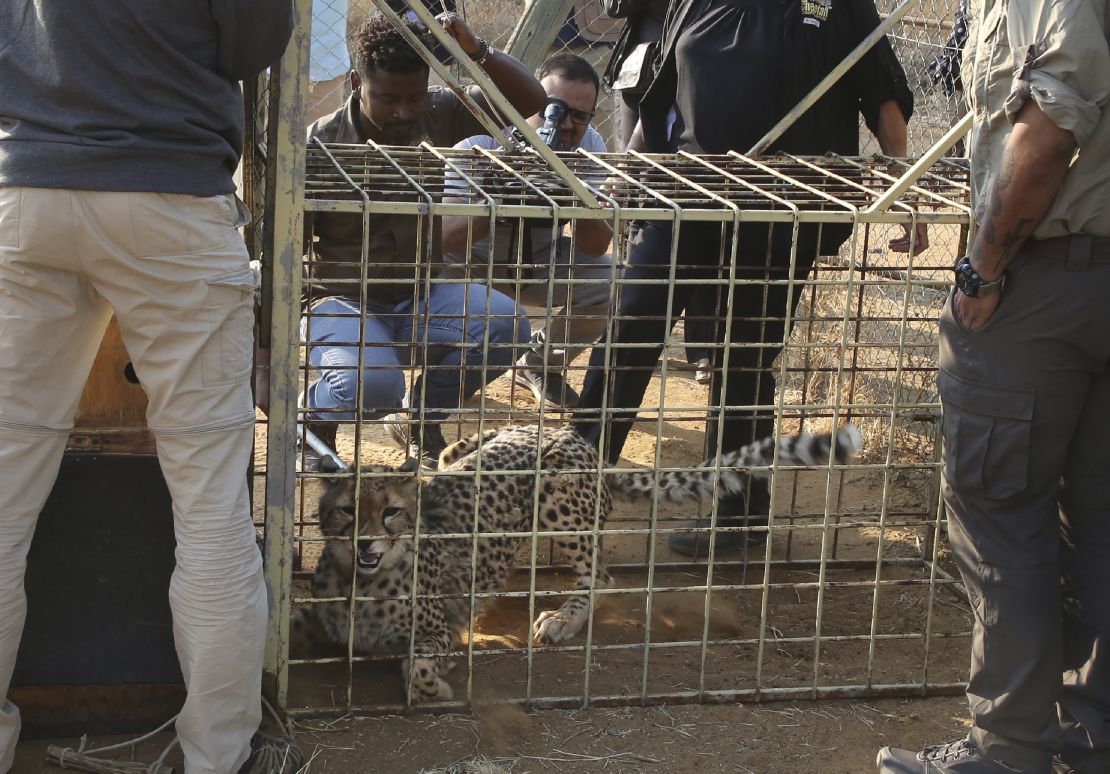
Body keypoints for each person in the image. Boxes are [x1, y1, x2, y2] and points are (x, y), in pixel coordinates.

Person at [0, 1, 297, 773]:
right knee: (211, 509)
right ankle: (219, 756)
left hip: (28, 188)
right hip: (172, 195)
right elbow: (257, 42)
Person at [575, 0, 917, 557]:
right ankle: (568, 493)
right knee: (630, 328)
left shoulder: (837, 5)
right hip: (684, 192)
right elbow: (661, 95)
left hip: (780, 207)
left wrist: (903, 187)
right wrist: (625, 179)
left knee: (743, 357)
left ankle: (737, 519)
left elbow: (881, 90)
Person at [877, 0, 1110, 771]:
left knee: (1001, 510)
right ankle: (1093, 727)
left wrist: (983, 265)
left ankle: (1008, 747)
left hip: (1047, 280)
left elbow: (1048, 129)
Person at [299, 14, 545, 471]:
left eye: (413, 98)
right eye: (389, 99)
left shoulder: (437, 113)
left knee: (508, 326)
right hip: (343, 299)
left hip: (420, 293)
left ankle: (421, 415)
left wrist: (477, 50)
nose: (403, 113)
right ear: (356, 82)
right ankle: (314, 416)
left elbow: (530, 100)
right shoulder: (321, 147)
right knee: (370, 388)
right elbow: (288, 249)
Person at [439, 53, 615, 409]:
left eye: (580, 116)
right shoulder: (482, 139)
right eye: (553, 109)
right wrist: (502, 194)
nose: (564, 125)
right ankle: (443, 376)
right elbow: (445, 237)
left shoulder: (591, 146)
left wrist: (573, 191)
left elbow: (595, 246)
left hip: (539, 261)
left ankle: (539, 363)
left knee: (612, 283)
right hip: (470, 267)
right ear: (531, 99)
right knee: (424, 276)